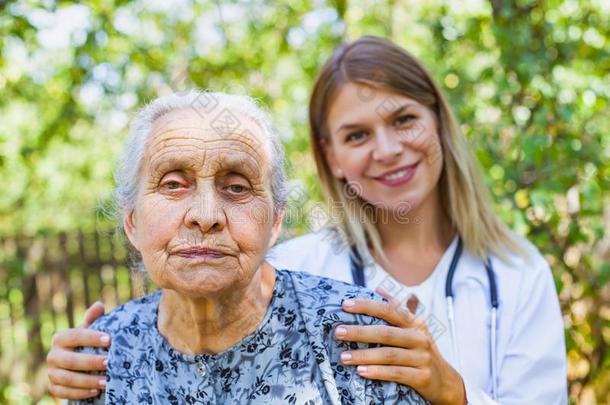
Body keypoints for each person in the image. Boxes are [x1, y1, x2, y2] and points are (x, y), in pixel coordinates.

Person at [48, 36, 567, 404]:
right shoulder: (287, 263)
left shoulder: (517, 273)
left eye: (404, 119)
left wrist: (452, 392)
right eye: (357, 135)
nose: (387, 149)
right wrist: (83, 363)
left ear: (440, 123)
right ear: (332, 156)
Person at [60, 90, 426, 404]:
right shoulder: (101, 355)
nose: (206, 216)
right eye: (173, 184)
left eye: (236, 187)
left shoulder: (361, 337)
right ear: (132, 221)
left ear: (275, 221)